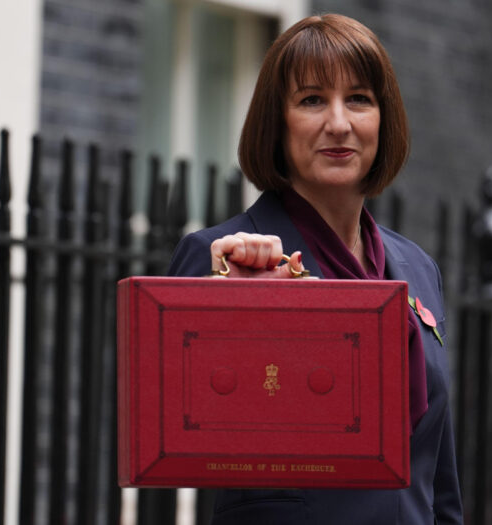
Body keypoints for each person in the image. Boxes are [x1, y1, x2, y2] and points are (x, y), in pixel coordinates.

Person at [167, 13, 462, 524]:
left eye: (360, 99)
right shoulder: (220, 257)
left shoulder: (418, 268)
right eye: (311, 100)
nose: (339, 122)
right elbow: (168, 427)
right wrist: (227, 306)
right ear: (276, 124)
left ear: (382, 119)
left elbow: (440, 482)